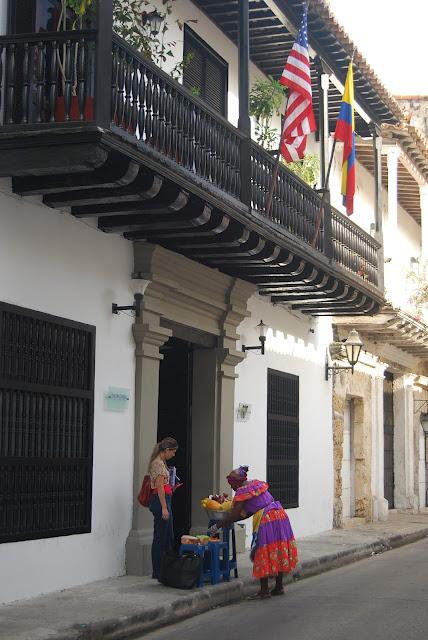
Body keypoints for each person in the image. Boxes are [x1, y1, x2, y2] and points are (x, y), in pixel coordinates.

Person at [213, 465, 298, 599]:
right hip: (279, 515)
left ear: (237, 482)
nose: (232, 488)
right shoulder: (255, 485)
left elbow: (235, 514)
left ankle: (264, 591)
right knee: (277, 549)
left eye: (232, 484)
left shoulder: (242, 491)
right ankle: (279, 586)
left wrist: (217, 525)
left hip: (266, 520)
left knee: (261, 551)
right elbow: (248, 511)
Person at [148, 437, 179, 579]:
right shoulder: (158, 464)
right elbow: (160, 487)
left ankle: (164, 568)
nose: (174, 455)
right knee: (161, 536)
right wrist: (164, 508)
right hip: (161, 501)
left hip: (164, 498)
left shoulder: (160, 463)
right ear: (166, 450)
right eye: (173, 452)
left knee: (166, 535)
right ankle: (159, 570)